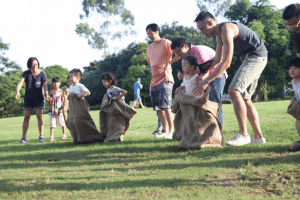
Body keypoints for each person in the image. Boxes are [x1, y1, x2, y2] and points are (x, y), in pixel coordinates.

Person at [194, 11, 268, 146]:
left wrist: (206, 80)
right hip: (252, 58)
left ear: (210, 23)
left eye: (203, 29)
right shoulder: (219, 37)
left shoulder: (226, 29)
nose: (202, 32)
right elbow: (217, 59)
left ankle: (243, 135)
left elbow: (226, 63)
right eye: (199, 30)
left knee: (233, 91)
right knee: (245, 99)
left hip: (255, 57)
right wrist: (200, 69)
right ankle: (258, 137)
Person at [171, 37, 226, 126]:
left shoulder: (198, 52)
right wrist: (187, 85)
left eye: (178, 52)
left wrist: (203, 85)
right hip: (203, 78)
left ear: (185, 46)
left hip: (216, 76)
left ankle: (217, 129)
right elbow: (190, 74)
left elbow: (206, 71)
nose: (178, 55)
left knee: (214, 102)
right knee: (201, 102)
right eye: (176, 53)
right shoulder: (185, 56)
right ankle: (204, 127)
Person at [146, 23, 180, 139]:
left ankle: (171, 131)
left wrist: (169, 63)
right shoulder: (149, 48)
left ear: (157, 32)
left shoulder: (166, 42)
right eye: (148, 34)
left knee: (166, 106)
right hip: (153, 80)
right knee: (158, 108)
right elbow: (150, 61)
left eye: (151, 33)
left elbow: (179, 53)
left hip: (166, 78)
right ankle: (165, 131)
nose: (149, 36)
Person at [15, 57, 50, 143]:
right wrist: (17, 91)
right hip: (28, 99)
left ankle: (41, 136)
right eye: (33, 64)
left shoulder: (42, 73)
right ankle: (23, 137)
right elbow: (20, 82)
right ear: (29, 65)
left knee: (39, 117)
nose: (35, 66)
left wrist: (47, 94)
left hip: (39, 99)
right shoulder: (26, 73)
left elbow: (45, 85)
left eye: (36, 64)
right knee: (26, 118)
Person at [47, 77, 67, 142]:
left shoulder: (61, 92)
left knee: (62, 122)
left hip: (59, 109)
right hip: (52, 109)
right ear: (52, 83)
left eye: (57, 82)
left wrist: (63, 108)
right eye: (54, 82)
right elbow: (49, 99)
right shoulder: (51, 92)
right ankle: (51, 136)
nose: (56, 84)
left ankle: (64, 135)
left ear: (60, 83)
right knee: (52, 123)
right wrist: (49, 99)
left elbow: (63, 100)